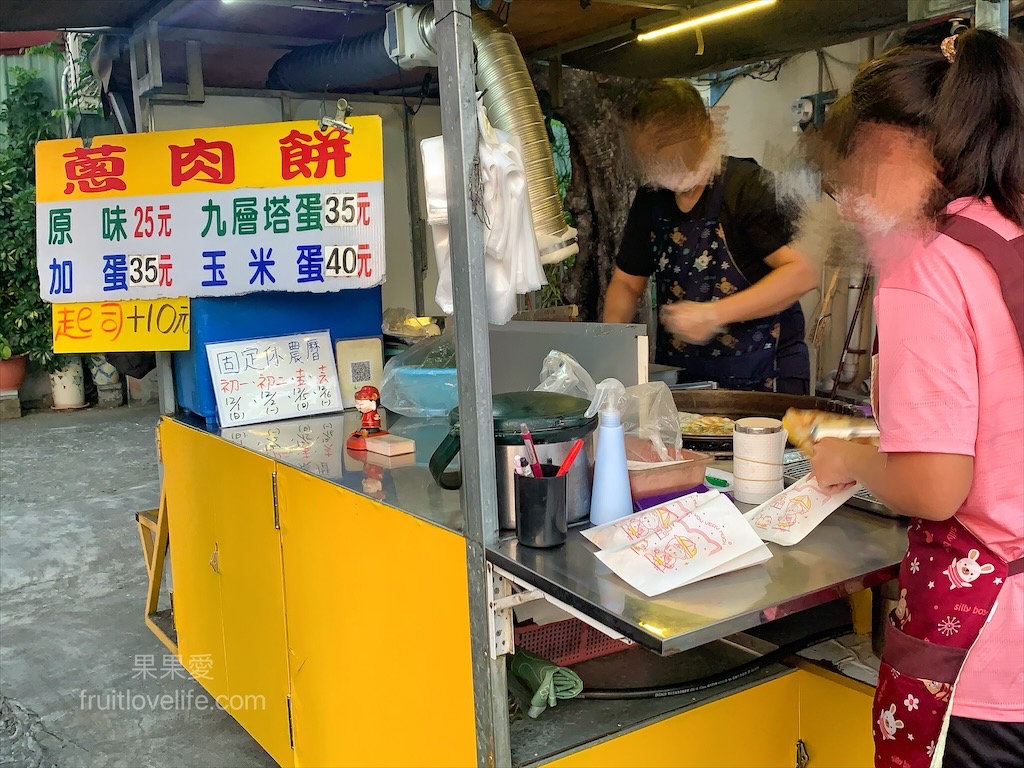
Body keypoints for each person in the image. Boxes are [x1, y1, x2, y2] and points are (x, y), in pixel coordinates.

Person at [804, 28, 1024, 768]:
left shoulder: (928, 267)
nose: (848, 199)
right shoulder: (1012, 234)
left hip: (988, 653)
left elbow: (936, 487)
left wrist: (853, 461)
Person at [602, 79, 819, 393]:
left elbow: (802, 273)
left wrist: (715, 314)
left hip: (764, 376)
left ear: (705, 132)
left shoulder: (746, 186)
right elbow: (626, 283)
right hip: (685, 379)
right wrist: (611, 358)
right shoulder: (651, 200)